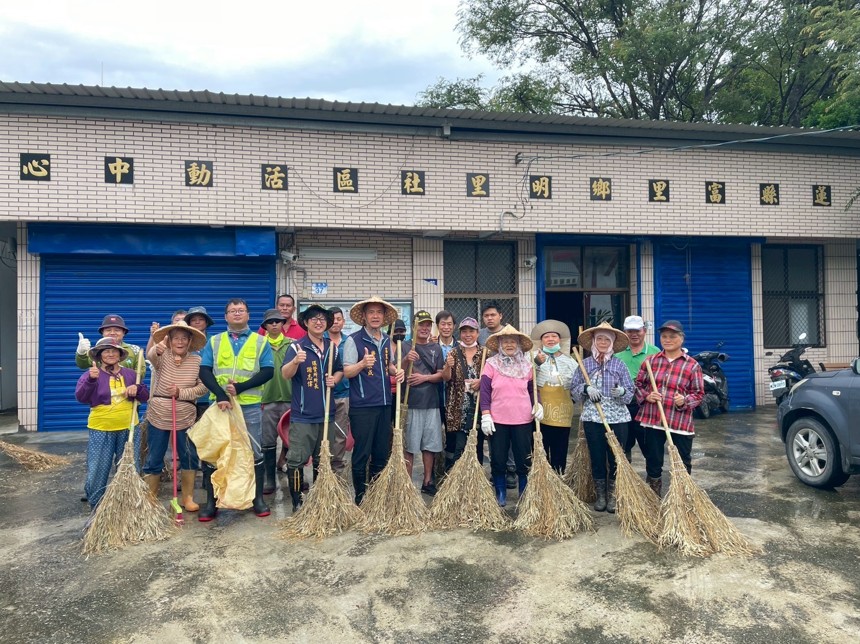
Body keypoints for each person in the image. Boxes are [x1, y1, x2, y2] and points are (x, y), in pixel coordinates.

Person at [198, 299, 274, 521]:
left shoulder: (260, 341)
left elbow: (268, 371)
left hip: (249, 405)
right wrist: (221, 394)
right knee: (216, 452)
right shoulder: (215, 341)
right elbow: (204, 370)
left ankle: (257, 499)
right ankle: (212, 503)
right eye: (232, 311)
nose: (237, 314)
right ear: (226, 317)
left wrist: (240, 387)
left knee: (254, 451)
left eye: (241, 310)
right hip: (220, 406)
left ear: (248, 315)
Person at [341, 297, 404, 505]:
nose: (375, 316)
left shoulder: (386, 339)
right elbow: (348, 371)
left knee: (380, 451)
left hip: (385, 403)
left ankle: (376, 494)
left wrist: (397, 371)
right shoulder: (353, 340)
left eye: (379, 312)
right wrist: (362, 363)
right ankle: (360, 496)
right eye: (371, 312)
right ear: (364, 317)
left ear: (384, 317)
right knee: (362, 452)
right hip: (363, 406)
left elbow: (389, 366)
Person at [280, 303, 343, 511]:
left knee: (323, 460)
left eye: (322, 319)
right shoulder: (296, 347)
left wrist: (335, 378)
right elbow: (285, 374)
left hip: (327, 415)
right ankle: (297, 502)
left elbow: (340, 370)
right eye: (314, 319)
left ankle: (319, 498)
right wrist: (296, 362)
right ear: (306, 323)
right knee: (296, 461)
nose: (318, 322)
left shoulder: (332, 347)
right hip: (303, 416)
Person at [75, 337, 149, 509]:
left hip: (129, 428)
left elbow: (144, 396)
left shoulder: (130, 374)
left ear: (120, 354)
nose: (110, 354)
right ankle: (96, 504)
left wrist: (137, 390)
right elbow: (81, 397)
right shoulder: (91, 374)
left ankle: (127, 503)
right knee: (98, 469)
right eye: (106, 351)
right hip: (102, 429)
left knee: (130, 467)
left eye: (114, 351)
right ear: (99, 356)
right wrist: (91, 380)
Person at [633, 320, 704, 498]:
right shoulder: (650, 361)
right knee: (653, 461)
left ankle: (680, 497)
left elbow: (698, 394)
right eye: (664, 336)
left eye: (672, 336)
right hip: (653, 419)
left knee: (682, 461)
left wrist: (684, 401)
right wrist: (647, 395)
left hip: (679, 421)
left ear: (681, 339)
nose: (667, 340)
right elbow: (638, 385)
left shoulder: (692, 365)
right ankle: (653, 496)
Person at [142, 321, 208, 511]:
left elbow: (202, 387)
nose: (180, 342)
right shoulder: (161, 355)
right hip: (159, 413)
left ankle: (187, 498)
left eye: (184, 339)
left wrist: (181, 392)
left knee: (189, 455)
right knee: (154, 456)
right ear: (169, 340)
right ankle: (151, 499)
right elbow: (151, 356)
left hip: (185, 413)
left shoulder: (197, 361)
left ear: (189, 341)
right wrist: (158, 348)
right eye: (176, 338)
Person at [570, 322, 635, 513]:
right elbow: (574, 390)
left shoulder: (619, 364)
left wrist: (622, 391)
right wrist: (585, 388)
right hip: (593, 417)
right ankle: (601, 495)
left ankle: (614, 495)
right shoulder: (585, 364)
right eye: (599, 338)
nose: (603, 342)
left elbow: (631, 392)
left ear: (613, 342)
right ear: (594, 341)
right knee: (597, 457)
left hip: (617, 418)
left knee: (616, 457)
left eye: (607, 339)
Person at [479, 325, 544, 507]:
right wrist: (486, 414)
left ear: (518, 345)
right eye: (505, 341)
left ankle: (523, 491)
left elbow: (533, 390)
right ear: (499, 344)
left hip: (522, 419)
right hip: (497, 419)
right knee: (498, 458)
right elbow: (484, 392)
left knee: (523, 458)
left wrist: (538, 404)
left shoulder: (527, 365)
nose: (509, 345)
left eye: (512, 342)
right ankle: (501, 492)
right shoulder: (491, 364)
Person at [402, 310, 445, 495]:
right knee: (409, 445)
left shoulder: (436, 348)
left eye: (428, 325)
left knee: (431, 444)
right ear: (414, 326)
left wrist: (425, 378)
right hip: (411, 403)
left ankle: (427, 481)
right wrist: (405, 359)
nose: (425, 328)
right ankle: (407, 483)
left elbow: (442, 374)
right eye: (421, 324)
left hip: (432, 402)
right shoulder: (404, 346)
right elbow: (398, 373)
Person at [477, 300, 516, 488]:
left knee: (510, 428)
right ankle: (496, 468)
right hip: (488, 387)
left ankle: (511, 470)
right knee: (493, 431)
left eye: (493, 315)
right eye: (486, 316)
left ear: (500, 315)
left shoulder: (510, 332)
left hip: (509, 389)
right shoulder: (481, 335)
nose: (489, 318)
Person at [531, 320, 576, 473]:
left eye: (554, 336)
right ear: (541, 340)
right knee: (540, 449)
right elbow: (526, 378)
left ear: (560, 340)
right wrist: (536, 363)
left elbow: (577, 384)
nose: (550, 339)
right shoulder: (532, 358)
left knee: (560, 450)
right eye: (546, 337)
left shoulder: (570, 361)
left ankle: (559, 478)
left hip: (562, 411)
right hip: (540, 410)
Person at [615, 315, 660, 462]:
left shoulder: (655, 352)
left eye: (637, 331)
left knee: (649, 445)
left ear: (644, 331)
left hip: (646, 405)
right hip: (623, 405)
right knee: (623, 444)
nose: (634, 334)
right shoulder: (617, 353)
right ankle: (625, 478)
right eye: (630, 331)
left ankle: (653, 480)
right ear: (624, 332)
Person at [259, 308, 294, 495]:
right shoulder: (259, 345)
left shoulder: (293, 345)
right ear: (265, 326)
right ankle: (269, 480)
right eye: (270, 322)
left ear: (283, 324)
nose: (274, 324)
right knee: (267, 442)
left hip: (290, 399)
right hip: (267, 401)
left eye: (277, 321)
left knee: (292, 440)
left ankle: (294, 477)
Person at [443, 317, 483, 469]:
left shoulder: (485, 353)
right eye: (464, 331)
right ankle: (456, 477)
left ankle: (476, 478)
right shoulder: (453, 352)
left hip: (478, 406)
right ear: (460, 334)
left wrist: (481, 382)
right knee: (458, 445)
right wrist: (448, 366)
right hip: (457, 406)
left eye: (471, 331)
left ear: (477, 333)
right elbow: (446, 378)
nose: (468, 334)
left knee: (477, 443)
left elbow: (492, 378)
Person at [325, 307, 350, 475]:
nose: (335, 322)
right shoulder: (320, 340)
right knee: (324, 434)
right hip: (322, 396)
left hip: (344, 395)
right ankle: (322, 469)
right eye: (332, 319)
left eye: (339, 319)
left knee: (340, 434)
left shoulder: (349, 342)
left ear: (343, 322)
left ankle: (337, 470)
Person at [75, 314, 142, 370]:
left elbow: (140, 372)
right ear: (102, 333)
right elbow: (83, 365)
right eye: (108, 330)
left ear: (123, 332)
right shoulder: (96, 350)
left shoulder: (135, 349)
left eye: (117, 330)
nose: (112, 333)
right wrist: (81, 353)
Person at [185, 305, 216, 420]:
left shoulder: (215, 341)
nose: (197, 322)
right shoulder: (182, 343)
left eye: (201, 319)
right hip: (187, 396)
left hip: (209, 396)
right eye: (193, 320)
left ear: (207, 322)